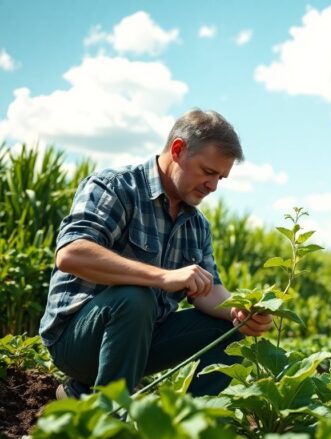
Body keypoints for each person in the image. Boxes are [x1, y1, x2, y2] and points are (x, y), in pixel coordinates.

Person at [39, 109, 273, 399]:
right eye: (208, 172)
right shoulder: (117, 187)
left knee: (231, 331)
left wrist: (243, 312)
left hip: (143, 344)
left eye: (220, 178)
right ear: (178, 150)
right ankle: (108, 414)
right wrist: (162, 277)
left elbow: (209, 290)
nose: (213, 186)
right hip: (76, 343)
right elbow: (71, 254)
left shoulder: (196, 224)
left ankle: (184, 422)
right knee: (136, 297)